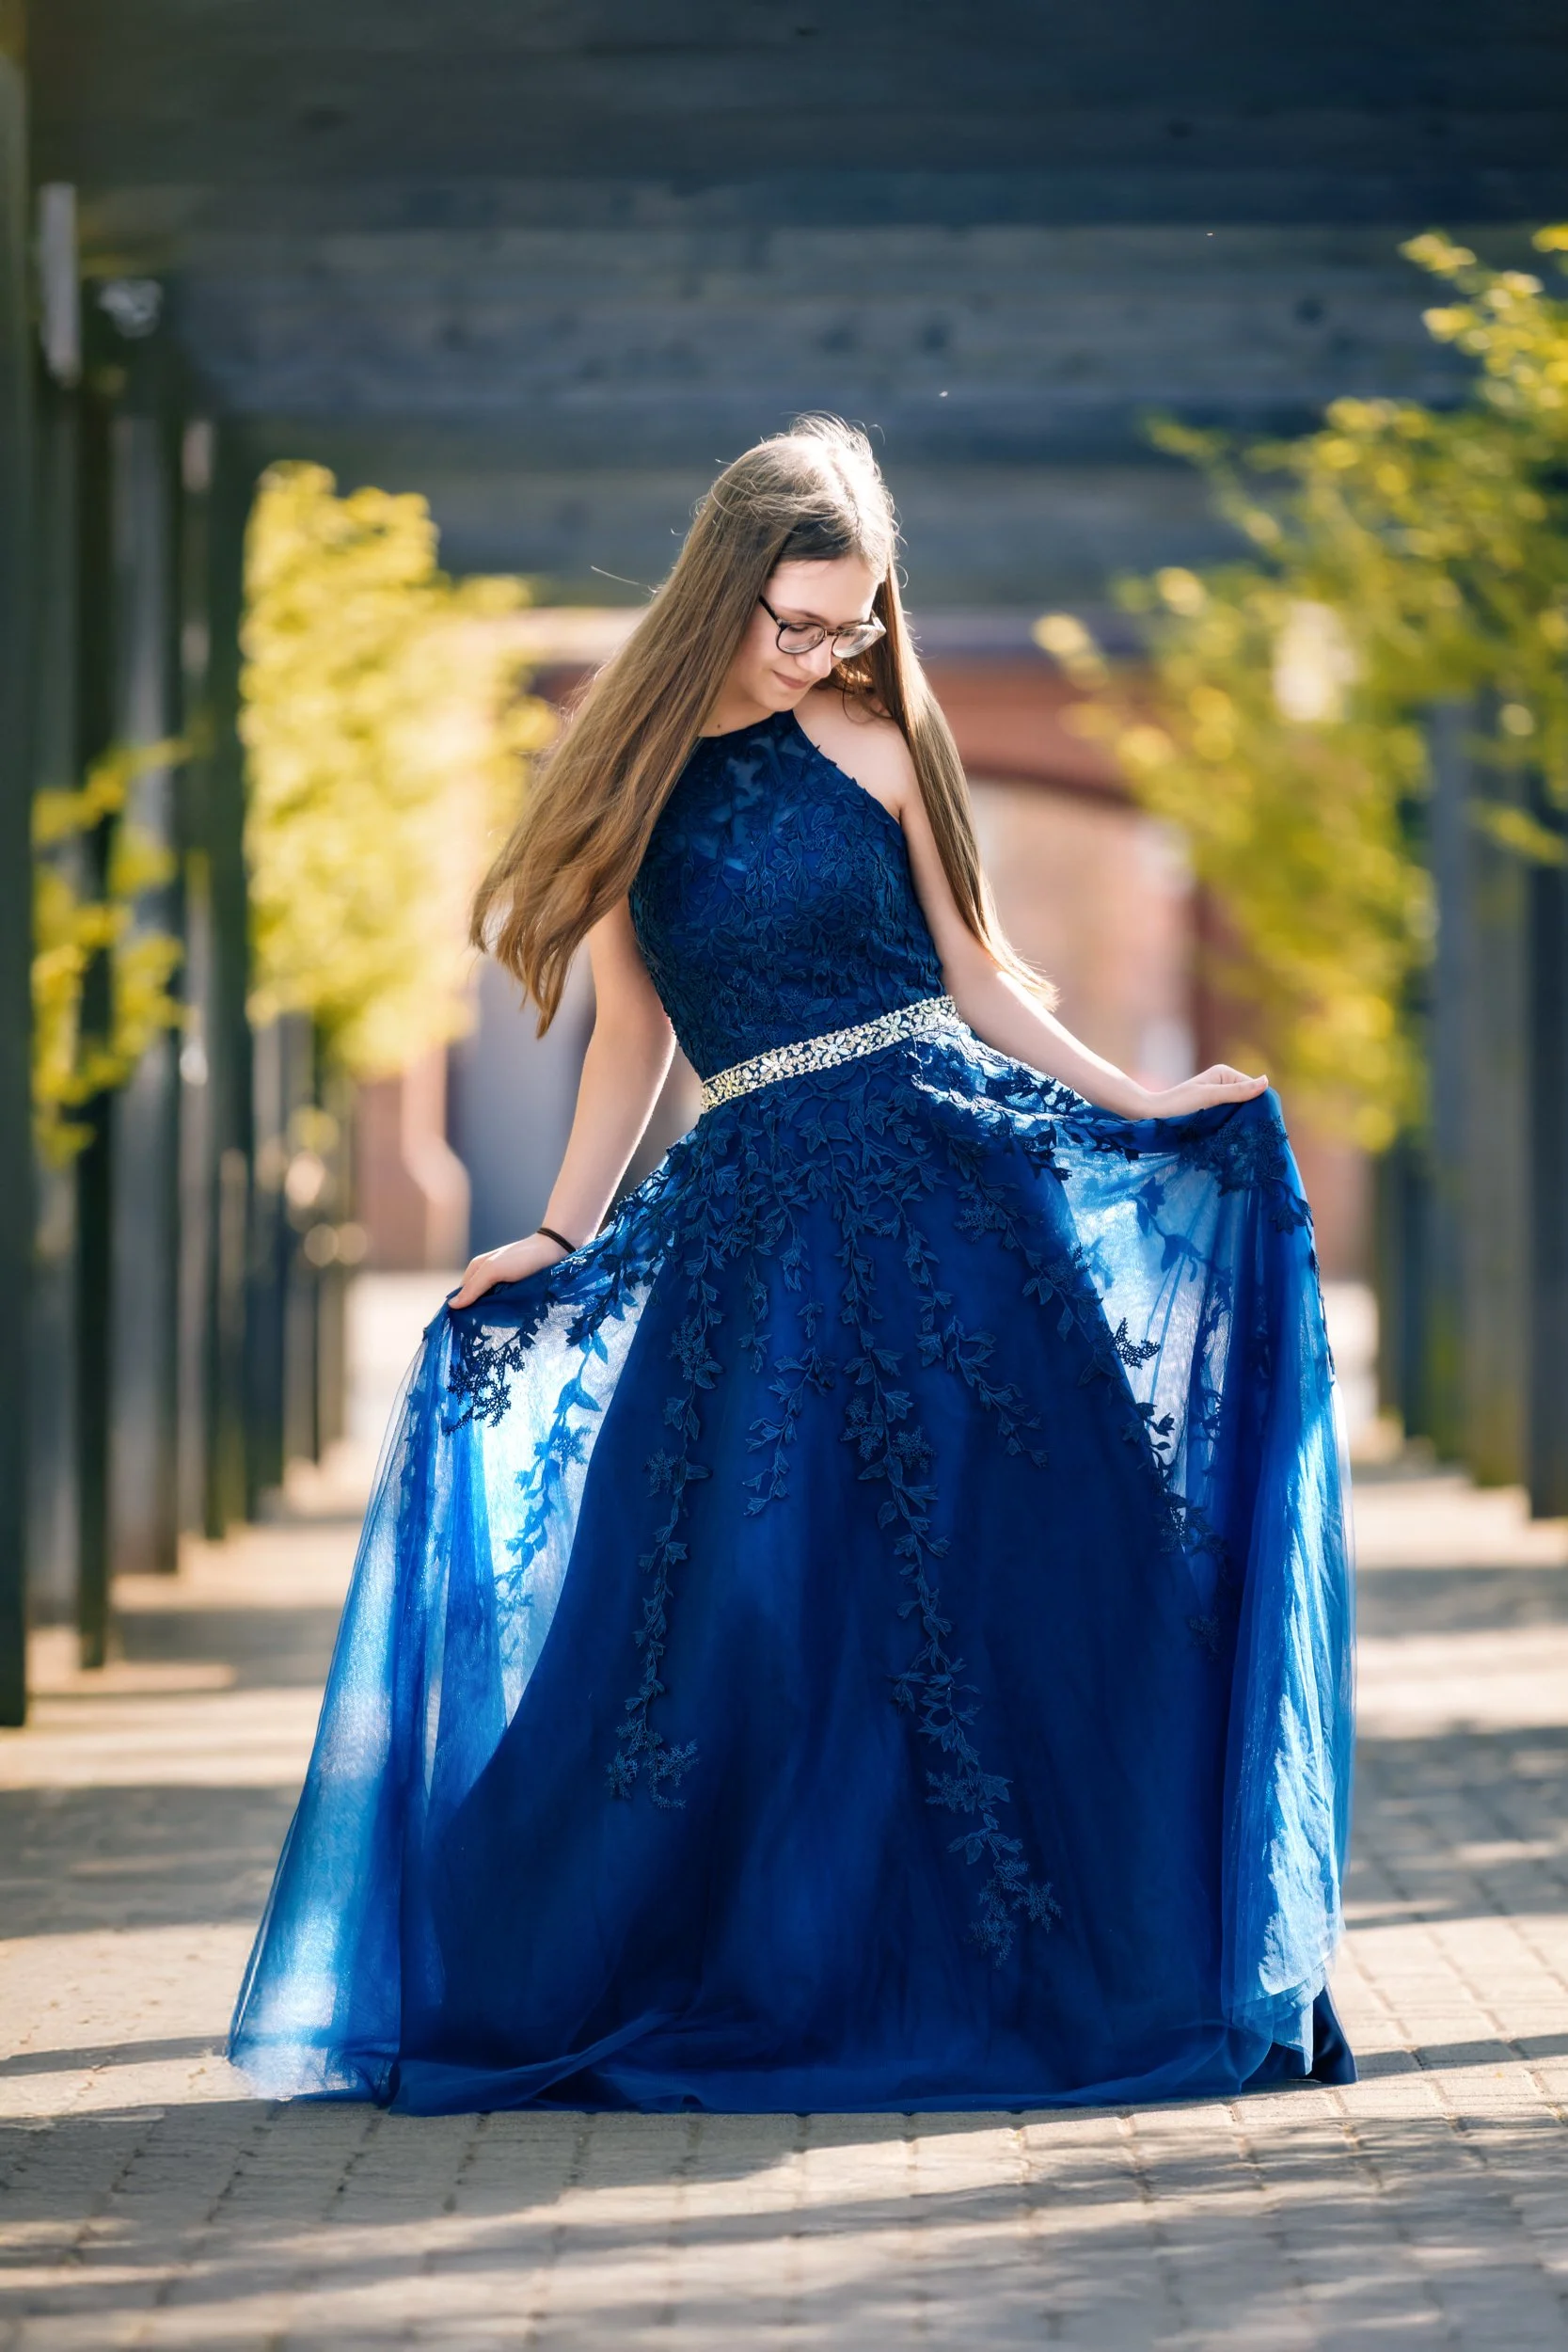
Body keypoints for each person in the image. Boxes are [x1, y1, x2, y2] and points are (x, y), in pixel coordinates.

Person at [230, 417, 1354, 2114]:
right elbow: (631, 1032)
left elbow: (978, 977)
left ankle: (1061, 1970)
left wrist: (1142, 1099)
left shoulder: (885, 743)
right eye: (798, 623)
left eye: (855, 622)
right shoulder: (624, 775)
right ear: (721, 592)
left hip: (966, 1210)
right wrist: (557, 1232)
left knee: (1039, 1578)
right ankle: (766, 1963)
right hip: (755, 1230)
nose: (830, 652)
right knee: (736, 1613)